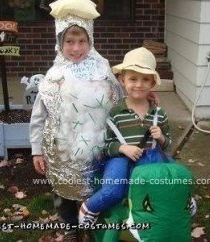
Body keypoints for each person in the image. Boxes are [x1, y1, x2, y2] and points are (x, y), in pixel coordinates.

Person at [29, 0, 123, 240]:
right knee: (65, 191)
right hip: (62, 150)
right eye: (69, 42)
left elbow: (120, 99)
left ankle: (91, 222)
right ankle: (70, 225)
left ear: (90, 41)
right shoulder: (53, 77)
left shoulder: (102, 71)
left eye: (82, 41)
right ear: (60, 42)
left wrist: (142, 97)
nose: (76, 48)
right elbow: (39, 115)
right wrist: (36, 150)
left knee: (96, 186)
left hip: (97, 146)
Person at [79, 47, 173, 224]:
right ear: (122, 80)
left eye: (145, 79)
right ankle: (91, 207)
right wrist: (123, 148)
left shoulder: (158, 113)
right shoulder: (114, 112)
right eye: (133, 79)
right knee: (114, 189)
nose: (139, 84)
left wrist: (160, 137)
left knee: (170, 180)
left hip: (150, 157)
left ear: (153, 84)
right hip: (120, 158)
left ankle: (180, 202)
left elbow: (168, 145)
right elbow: (103, 145)